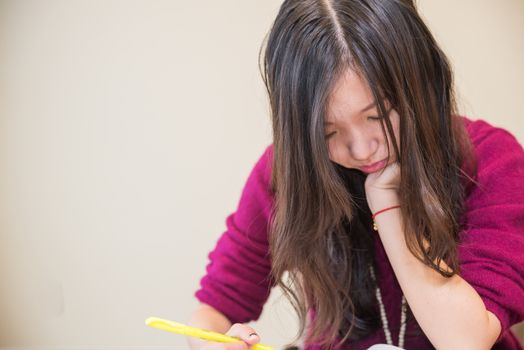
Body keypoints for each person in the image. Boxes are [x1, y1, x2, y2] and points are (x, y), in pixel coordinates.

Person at [188, 0, 524, 349]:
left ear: (420, 82)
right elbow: (212, 311)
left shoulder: (491, 161)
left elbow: (465, 341)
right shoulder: (288, 173)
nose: (362, 150)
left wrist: (388, 205)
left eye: (378, 116)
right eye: (328, 132)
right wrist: (214, 343)